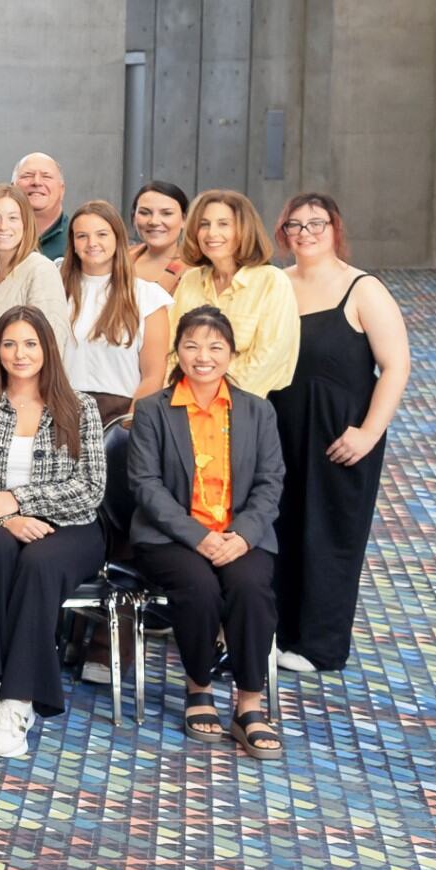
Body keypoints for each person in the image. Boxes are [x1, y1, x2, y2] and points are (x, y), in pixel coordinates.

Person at [0, 307, 106, 761]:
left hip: (70, 525)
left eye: (30, 343)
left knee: (38, 564)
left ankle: (19, 701)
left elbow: (90, 488)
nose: (20, 353)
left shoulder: (80, 406)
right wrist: (3, 518)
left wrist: (19, 501)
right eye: (10, 344)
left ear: (47, 349)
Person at [127, 307, 284, 756]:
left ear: (231, 355)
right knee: (197, 588)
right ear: (177, 351)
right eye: (192, 345)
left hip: (240, 534)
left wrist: (244, 534)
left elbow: (271, 482)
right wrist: (198, 536)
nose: (203, 356)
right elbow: (144, 485)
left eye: (216, 347)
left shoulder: (257, 412)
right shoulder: (154, 410)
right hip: (172, 536)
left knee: (252, 586)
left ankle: (249, 704)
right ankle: (199, 688)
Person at [275, 191, 410, 674]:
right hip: (280, 430)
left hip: (340, 436)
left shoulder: (363, 289)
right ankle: (276, 631)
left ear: (335, 230)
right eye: (296, 225)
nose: (306, 233)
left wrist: (369, 434)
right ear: (283, 233)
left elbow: (395, 367)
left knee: (329, 535)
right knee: (279, 527)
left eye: (317, 223)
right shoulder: (275, 284)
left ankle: (319, 644)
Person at [169, 190, 300, 399]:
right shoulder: (190, 280)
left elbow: (270, 357)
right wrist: (178, 395)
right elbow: (170, 349)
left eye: (223, 224)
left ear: (244, 230)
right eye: (204, 224)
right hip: (183, 404)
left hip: (244, 405)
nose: (212, 233)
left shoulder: (272, 281)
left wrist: (213, 398)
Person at [0, 183, 74, 394]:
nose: (2, 226)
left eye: (12, 218)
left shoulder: (39, 270)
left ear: (26, 224)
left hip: (15, 398)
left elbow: (52, 344)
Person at [60, 201, 171, 423]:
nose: (92, 243)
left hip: (120, 414)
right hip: (62, 412)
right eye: (82, 236)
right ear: (72, 242)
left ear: (118, 238)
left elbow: (153, 375)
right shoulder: (55, 289)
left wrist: (130, 424)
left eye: (102, 234)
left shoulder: (147, 297)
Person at [128, 180, 191, 296]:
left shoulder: (195, 268)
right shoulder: (117, 259)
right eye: (145, 213)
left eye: (166, 213)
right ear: (133, 218)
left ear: (184, 219)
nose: (154, 221)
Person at [14, 153, 70, 261]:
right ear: (13, 187)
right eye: (27, 176)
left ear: (61, 190)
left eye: (46, 176)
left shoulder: (77, 237)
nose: (36, 182)